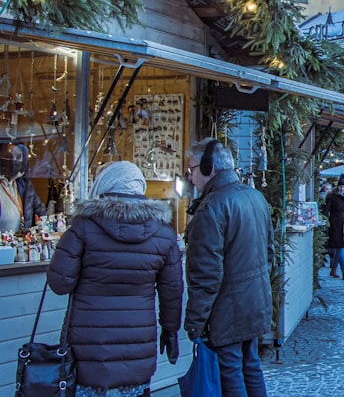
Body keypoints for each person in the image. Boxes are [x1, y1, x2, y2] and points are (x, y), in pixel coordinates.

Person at [46, 161, 182, 397]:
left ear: (105, 186)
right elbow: (172, 291)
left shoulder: (83, 226)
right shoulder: (163, 232)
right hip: (138, 346)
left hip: (88, 349)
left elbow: (60, 283)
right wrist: (170, 330)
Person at [184, 138, 273, 397]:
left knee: (230, 372)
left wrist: (195, 322)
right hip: (254, 303)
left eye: (191, 170)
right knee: (251, 367)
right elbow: (269, 253)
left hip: (228, 310)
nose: (190, 178)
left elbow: (206, 276)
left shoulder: (211, 208)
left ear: (209, 167)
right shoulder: (255, 197)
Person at [0, 141, 45, 231]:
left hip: (20, 242)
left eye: (18, 157)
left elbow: (41, 213)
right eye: (8, 156)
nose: (13, 160)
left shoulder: (25, 184)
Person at [325, 175, 344, 280]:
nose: (342, 188)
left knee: (340, 247)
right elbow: (327, 210)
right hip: (335, 224)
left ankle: (333, 270)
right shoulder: (332, 196)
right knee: (340, 246)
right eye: (340, 186)